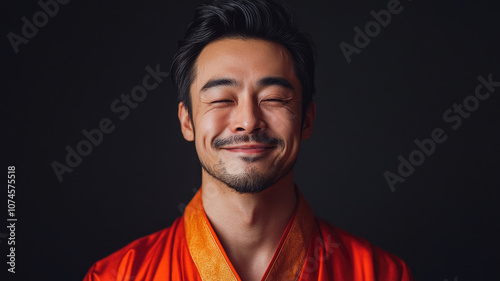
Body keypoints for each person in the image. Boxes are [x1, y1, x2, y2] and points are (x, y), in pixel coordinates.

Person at [83, 0, 415, 280]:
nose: (248, 121)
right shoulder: (118, 274)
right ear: (186, 121)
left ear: (307, 119)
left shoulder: (379, 273)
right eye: (222, 99)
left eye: (273, 98)